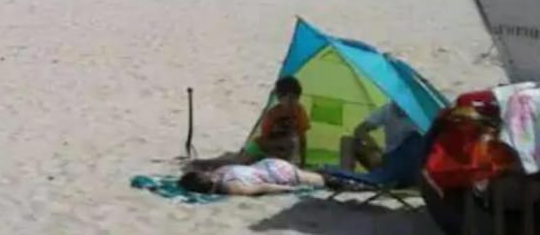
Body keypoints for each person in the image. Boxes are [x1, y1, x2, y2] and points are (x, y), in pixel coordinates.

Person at [187, 76, 310, 171]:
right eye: (289, 98)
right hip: (260, 148)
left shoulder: (299, 112)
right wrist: (275, 152)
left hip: (279, 149)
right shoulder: (273, 114)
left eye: (295, 98)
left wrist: (302, 163)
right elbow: (264, 139)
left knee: (238, 159)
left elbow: (303, 138)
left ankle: (230, 155)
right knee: (236, 164)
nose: (292, 102)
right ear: (279, 97)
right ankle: (198, 163)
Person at [179, 157, 332, 196]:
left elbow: (261, 187)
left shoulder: (232, 187)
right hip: (267, 164)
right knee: (314, 175)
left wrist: (288, 189)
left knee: (323, 181)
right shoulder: (221, 171)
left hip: (276, 174)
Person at [344, 101, 419, 171]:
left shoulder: (420, 118)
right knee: (348, 142)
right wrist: (374, 146)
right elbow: (359, 130)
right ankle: (344, 177)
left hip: (406, 162)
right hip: (387, 157)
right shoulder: (388, 109)